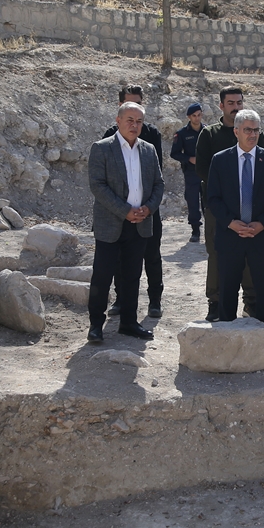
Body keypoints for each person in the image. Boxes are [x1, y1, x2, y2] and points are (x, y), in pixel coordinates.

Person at [86, 102, 164, 343]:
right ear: (118, 121)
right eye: (130, 120)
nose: (134, 125)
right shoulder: (102, 148)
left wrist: (148, 208)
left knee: (132, 275)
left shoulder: (148, 150)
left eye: (139, 121)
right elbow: (97, 186)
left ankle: (129, 323)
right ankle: (96, 326)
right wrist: (125, 211)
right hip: (111, 224)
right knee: (103, 275)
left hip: (139, 224)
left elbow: (159, 184)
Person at [207, 109, 264, 327]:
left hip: (261, 237)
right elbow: (213, 198)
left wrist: (262, 224)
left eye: (256, 130)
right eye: (247, 130)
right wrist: (231, 223)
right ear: (236, 132)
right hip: (230, 236)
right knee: (227, 290)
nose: (252, 134)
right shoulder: (221, 160)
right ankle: (226, 336)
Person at [196, 86, 256, 322]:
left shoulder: (252, 132)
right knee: (217, 254)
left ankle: (251, 301)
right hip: (218, 208)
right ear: (221, 106)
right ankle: (216, 302)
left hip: (249, 205)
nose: (236, 107)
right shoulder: (210, 135)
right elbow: (202, 169)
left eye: (239, 102)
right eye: (231, 103)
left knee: (250, 253)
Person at [103, 85, 165, 318]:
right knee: (121, 258)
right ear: (119, 109)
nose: (134, 119)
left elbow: (156, 176)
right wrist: (124, 209)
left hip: (148, 209)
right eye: (129, 105)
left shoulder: (151, 135)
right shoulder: (109, 136)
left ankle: (155, 301)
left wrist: (147, 207)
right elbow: (105, 179)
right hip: (120, 212)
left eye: (138, 104)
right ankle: (121, 300)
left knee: (152, 255)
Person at [171, 102, 204, 243]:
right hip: (191, 173)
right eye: (194, 116)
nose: (197, 118)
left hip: (206, 172)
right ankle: (195, 230)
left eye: (199, 115)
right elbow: (174, 153)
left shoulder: (207, 131)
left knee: (209, 201)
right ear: (189, 117)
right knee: (192, 201)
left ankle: (212, 229)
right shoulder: (182, 134)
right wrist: (189, 159)